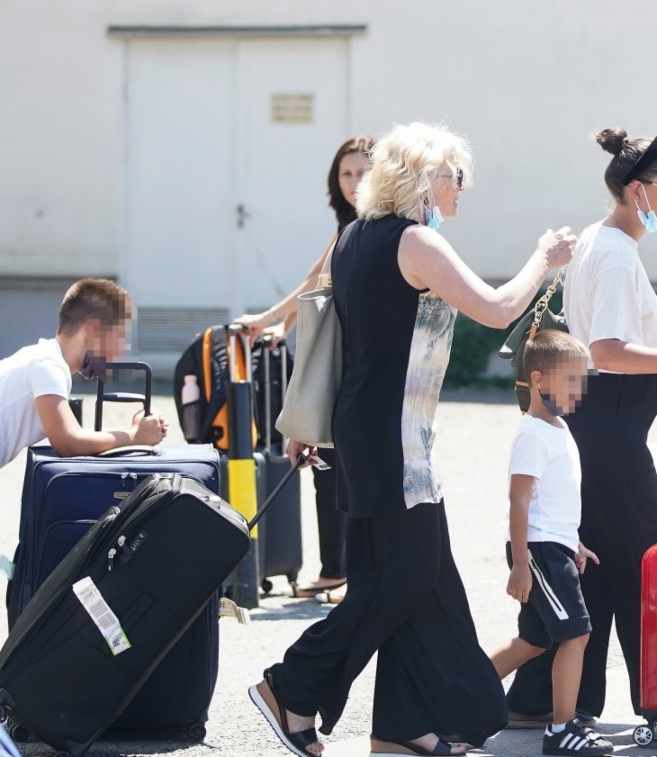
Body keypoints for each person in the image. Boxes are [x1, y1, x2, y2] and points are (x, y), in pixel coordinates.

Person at [247, 121, 576, 757]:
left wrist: (314, 425)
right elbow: (499, 307)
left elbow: (340, 341)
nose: (463, 188)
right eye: (458, 175)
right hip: (392, 441)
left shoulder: (351, 238)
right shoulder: (414, 241)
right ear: (425, 178)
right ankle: (291, 686)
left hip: (371, 432)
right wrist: (545, 256)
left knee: (411, 578)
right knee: (401, 580)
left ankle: (401, 727)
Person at [505, 129, 657, 726]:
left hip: (602, 427)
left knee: (600, 570)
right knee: (652, 566)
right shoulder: (612, 251)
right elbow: (607, 349)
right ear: (637, 190)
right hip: (610, 431)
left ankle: (548, 702)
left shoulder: (601, 240)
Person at [237, 136, 374, 602]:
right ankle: (337, 568)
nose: (355, 182)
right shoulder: (351, 224)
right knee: (326, 462)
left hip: (355, 360)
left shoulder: (372, 224)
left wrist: (266, 320)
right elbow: (318, 282)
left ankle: (346, 570)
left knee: (335, 464)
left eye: (363, 172)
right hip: (343, 355)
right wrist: (283, 324)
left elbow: (315, 281)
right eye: (346, 174)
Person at [488, 330, 612, 756]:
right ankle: (562, 730)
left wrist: (573, 542)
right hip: (537, 551)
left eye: (582, 381)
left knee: (534, 642)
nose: (580, 390)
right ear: (538, 379)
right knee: (576, 634)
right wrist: (521, 565)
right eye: (571, 381)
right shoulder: (533, 433)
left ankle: (454, 696)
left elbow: (554, 501)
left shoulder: (558, 428)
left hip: (552, 546)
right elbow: (519, 503)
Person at [0, 278, 168, 470]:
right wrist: (135, 435)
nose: (122, 349)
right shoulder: (47, 365)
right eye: (120, 336)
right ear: (94, 330)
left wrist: (136, 431)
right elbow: (68, 443)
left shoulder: (46, 359)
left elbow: (75, 436)